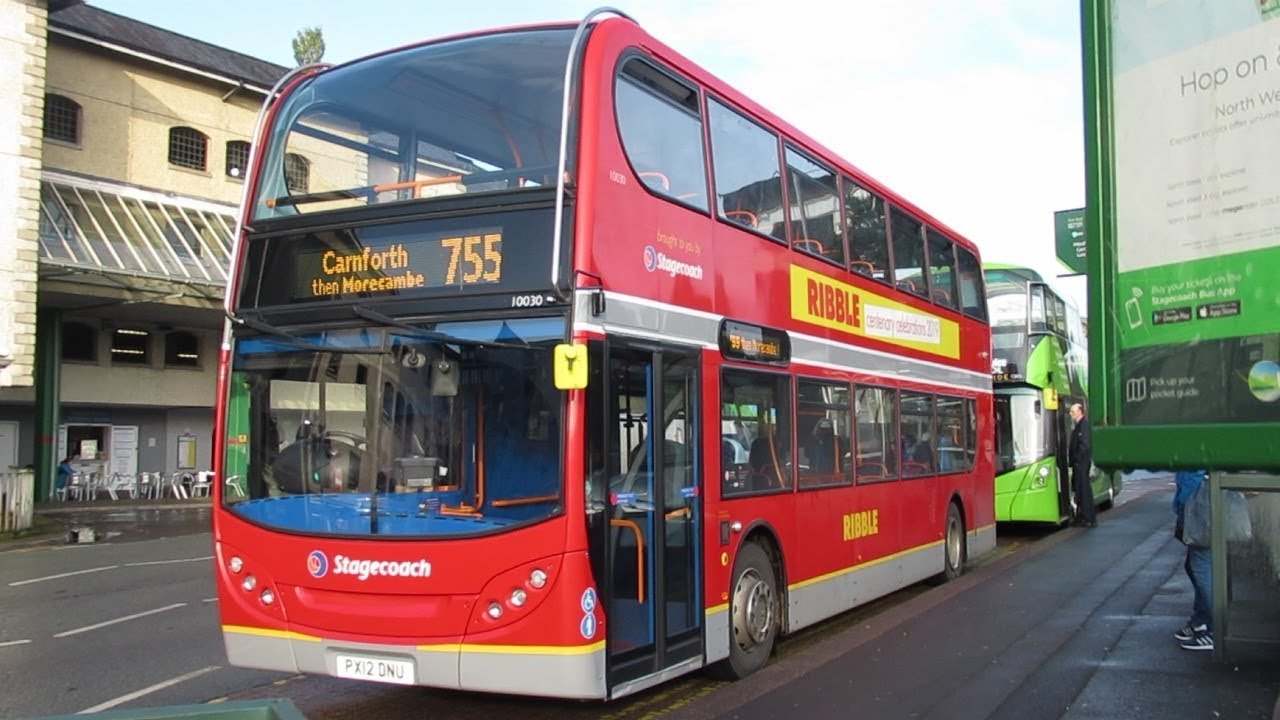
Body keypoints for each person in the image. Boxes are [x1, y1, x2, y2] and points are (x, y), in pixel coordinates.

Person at [1172, 469, 1213, 651]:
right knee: (1194, 565)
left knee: (1202, 566)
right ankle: (1201, 620)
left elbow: (1193, 475)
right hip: (1202, 502)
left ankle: (1214, 630)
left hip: (1199, 505)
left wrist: (1182, 502)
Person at [1067, 402, 1096, 528]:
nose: (1070, 414)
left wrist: (1078, 459)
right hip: (1078, 464)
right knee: (1079, 490)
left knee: (1083, 490)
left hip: (1081, 463)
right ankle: (1082, 516)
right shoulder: (1078, 425)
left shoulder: (1083, 425)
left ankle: (1087, 518)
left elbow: (1085, 445)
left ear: (1080, 411)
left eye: (1072, 412)